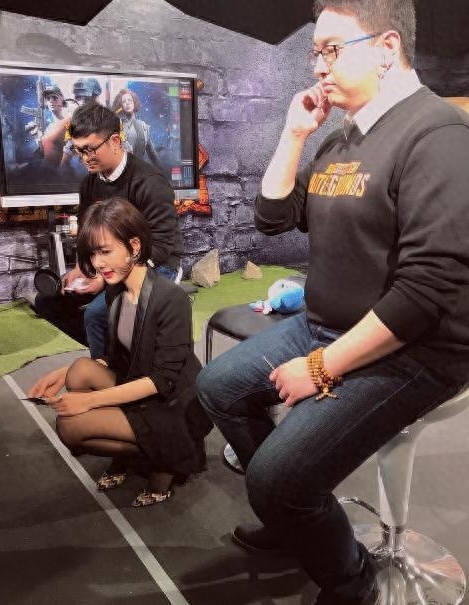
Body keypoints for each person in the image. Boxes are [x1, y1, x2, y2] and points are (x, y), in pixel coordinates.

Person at [197, 0, 469, 603]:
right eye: (315, 53)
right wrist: (295, 133)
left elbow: (425, 292)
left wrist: (321, 368)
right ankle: (298, 515)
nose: (318, 66)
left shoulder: (438, 134)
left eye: (332, 50)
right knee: (218, 387)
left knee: (276, 479)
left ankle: (351, 581)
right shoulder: (341, 139)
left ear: (387, 48)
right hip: (324, 324)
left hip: (414, 350)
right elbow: (273, 218)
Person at [29, 198, 211, 506]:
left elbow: (162, 380)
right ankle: (132, 454)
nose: (98, 263)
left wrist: (90, 401)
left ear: (134, 246)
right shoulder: (117, 290)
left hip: (172, 405)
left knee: (70, 426)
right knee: (79, 371)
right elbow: (117, 357)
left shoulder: (171, 298)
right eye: (92, 253)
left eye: (105, 251)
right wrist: (63, 374)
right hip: (140, 382)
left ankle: (165, 460)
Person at [34, 102, 184, 360]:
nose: (84, 158)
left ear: (115, 141)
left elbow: (160, 246)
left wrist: (105, 277)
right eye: (78, 150)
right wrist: (82, 268)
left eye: (90, 149)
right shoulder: (89, 183)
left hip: (155, 264)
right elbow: (87, 235)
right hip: (110, 263)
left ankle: (107, 370)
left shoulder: (149, 183)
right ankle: (114, 356)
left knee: (96, 315)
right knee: (47, 302)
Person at [112, 88, 162, 170]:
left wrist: (163, 172)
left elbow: (152, 154)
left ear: (134, 103)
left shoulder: (143, 126)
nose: (127, 103)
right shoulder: (117, 126)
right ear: (121, 106)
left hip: (138, 172)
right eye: (124, 101)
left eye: (130, 100)